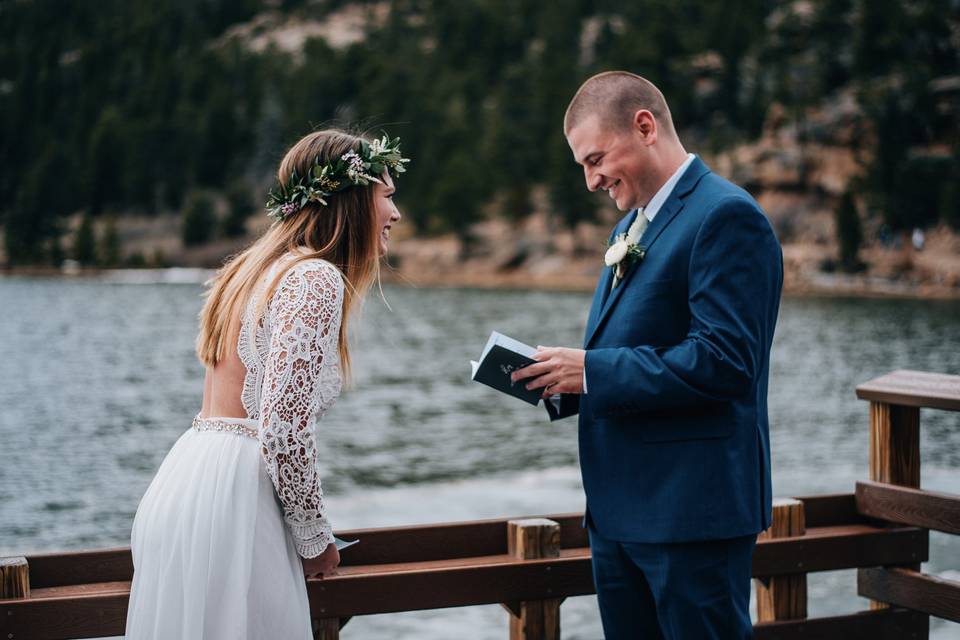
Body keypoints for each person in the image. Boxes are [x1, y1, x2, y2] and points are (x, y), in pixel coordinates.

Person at [513, 71, 783, 639]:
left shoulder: (724, 216)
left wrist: (590, 371)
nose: (590, 180)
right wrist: (562, 381)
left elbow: (726, 361)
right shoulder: (632, 224)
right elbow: (633, 349)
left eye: (595, 159)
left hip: (690, 514)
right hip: (619, 516)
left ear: (644, 127)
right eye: (582, 166)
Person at [125, 129, 407, 639]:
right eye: (387, 194)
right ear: (351, 198)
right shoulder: (315, 278)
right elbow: (283, 431)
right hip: (237, 502)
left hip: (186, 477)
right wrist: (315, 539)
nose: (396, 213)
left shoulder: (250, 271)